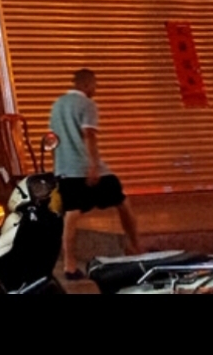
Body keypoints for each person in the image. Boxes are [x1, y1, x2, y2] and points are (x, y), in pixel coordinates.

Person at [49, 68, 141, 280]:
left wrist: (58, 168)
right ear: (86, 84)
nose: (96, 89)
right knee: (122, 201)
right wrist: (93, 166)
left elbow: (53, 140)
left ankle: (69, 265)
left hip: (65, 170)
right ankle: (135, 246)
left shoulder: (57, 105)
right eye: (95, 84)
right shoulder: (87, 104)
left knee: (71, 214)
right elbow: (89, 135)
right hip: (85, 167)